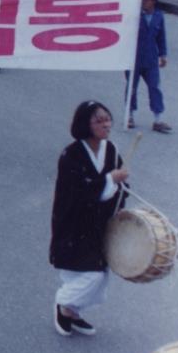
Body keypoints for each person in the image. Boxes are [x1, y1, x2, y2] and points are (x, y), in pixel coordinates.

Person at [50, 100, 128, 336]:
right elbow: (78, 192)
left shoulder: (111, 150)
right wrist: (109, 180)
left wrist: (119, 188)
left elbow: (122, 186)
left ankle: (72, 311)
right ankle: (63, 304)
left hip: (99, 224)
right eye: (98, 120)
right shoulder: (71, 154)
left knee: (100, 274)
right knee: (90, 274)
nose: (106, 124)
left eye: (107, 118)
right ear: (85, 124)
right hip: (74, 222)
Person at [127, 0, 171, 133]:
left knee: (154, 88)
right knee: (131, 88)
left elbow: (161, 37)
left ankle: (158, 119)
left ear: (153, 0)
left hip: (151, 59)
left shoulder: (159, 16)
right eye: (142, 0)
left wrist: (163, 54)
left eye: (146, 0)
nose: (143, 3)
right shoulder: (134, 14)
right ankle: (130, 115)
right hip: (133, 58)